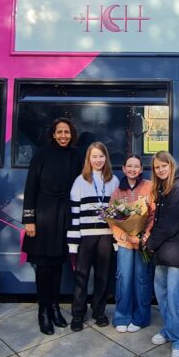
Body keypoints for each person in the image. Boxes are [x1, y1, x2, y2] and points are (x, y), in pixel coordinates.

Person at [22, 118, 80, 335]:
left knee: (57, 265)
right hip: (43, 215)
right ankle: (43, 311)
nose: (63, 136)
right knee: (43, 266)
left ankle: (55, 307)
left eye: (67, 132)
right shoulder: (41, 155)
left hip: (64, 215)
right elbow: (30, 188)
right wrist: (29, 219)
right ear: (53, 134)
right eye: (60, 132)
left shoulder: (75, 155)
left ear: (71, 134)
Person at [142, 151, 179, 357]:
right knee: (161, 292)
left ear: (171, 165)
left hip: (176, 249)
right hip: (163, 248)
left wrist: (150, 243)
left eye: (164, 166)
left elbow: (171, 223)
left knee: (174, 296)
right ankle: (170, 329)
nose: (161, 170)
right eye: (157, 167)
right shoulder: (164, 186)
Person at [68, 142, 119, 331]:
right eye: (94, 156)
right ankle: (78, 314)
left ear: (106, 158)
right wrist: (73, 242)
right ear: (88, 159)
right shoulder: (80, 181)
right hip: (85, 237)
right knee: (81, 277)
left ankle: (99, 311)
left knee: (102, 277)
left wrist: (115, 240)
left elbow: (117, 215)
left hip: (105, 236)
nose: (98, 160)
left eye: (101, 156)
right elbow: (74, 215)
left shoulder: (113, 181)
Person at [108, 154, 153, 333]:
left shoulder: (149, 186)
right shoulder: (118, 191)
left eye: (136, 166)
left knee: (142, 279)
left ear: (141, 169)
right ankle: (122, 316)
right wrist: (126, 237)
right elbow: (112, 219)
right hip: (125, 243)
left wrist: (145, 235)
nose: (133, 169)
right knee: (123, 278)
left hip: (142, 243)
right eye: (129, 166)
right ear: (124, 169)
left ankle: (141, 318)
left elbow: (153, 215)